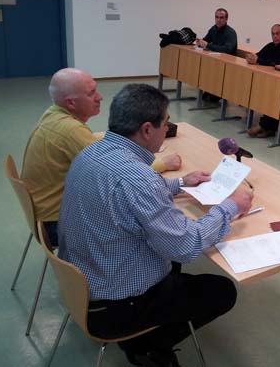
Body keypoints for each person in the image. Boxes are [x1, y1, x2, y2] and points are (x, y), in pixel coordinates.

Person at [58, 84, 253, 366]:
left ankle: (146, 338)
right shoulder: (139, 179)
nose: (167, 130)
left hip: (83, 283)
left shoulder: (92, 152)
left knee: (169, 257)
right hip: (113, 307)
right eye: (166, 123)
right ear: (147, 129)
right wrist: (232, 206)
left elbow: (124, 190)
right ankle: (147, 345)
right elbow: (187, 245)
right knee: (222, 291)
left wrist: (180, 183)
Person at [21, 68, 182, 246]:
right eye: (91, 93)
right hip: (56, 225)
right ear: (71, 103)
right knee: (144, 219)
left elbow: (96, 148)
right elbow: (122, 175)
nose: (100, 97)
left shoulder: (53, 115)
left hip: (44, 215)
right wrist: (163, 163)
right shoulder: (71, 131)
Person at [246, 24, 280, 138]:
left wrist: (258, 60)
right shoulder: (270, 46)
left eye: (277, 33)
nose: (275, 36)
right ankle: (266, 127)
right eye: (273, 34)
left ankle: (265, 127)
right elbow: (258, 56)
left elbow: (277, 63)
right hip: (268, 80)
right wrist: (251, 58)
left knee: (274, 102)